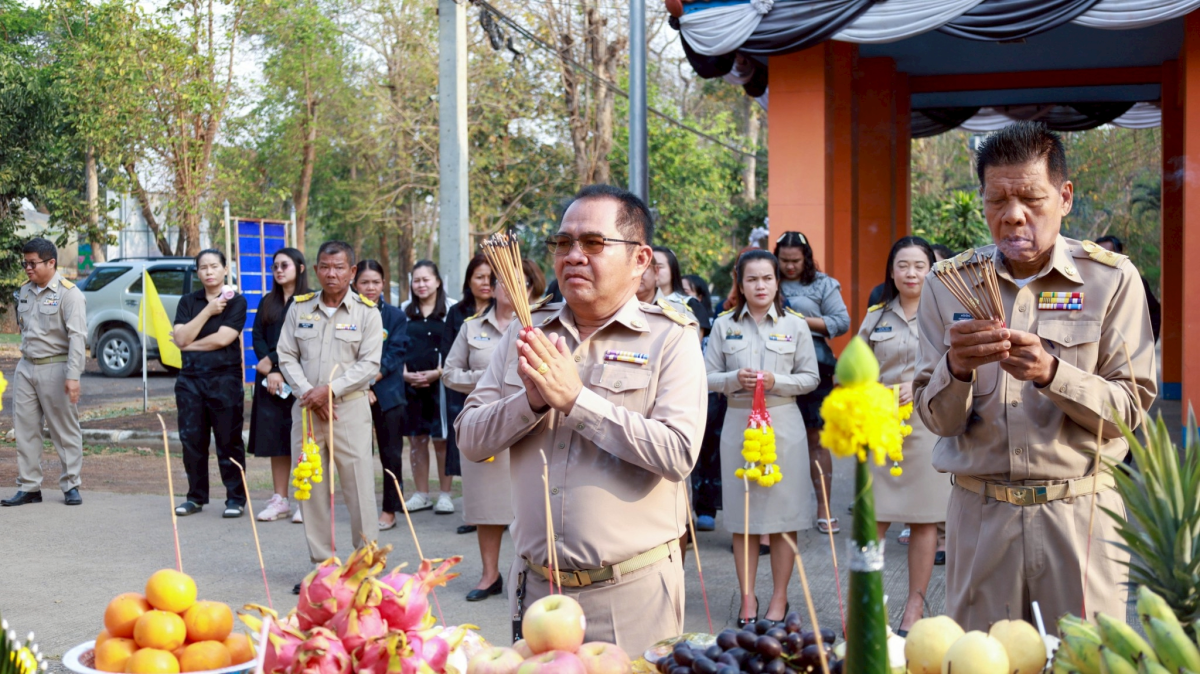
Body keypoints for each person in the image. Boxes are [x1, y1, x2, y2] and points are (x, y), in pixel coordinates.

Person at [914, 121, 1156, 632]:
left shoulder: (1110, 279)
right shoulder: (948, 285)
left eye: (1031, 197)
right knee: (980, 661)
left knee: (1084, 659)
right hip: (980, 515)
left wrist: (1052, 374)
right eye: (997, 200)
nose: (1013, 216)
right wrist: (956, 370)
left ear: (1064, 197)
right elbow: (936, 419)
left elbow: (1130, 411)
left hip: (1080, 513)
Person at [456, 184, 707, 654]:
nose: (573, 255)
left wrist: (576, 399)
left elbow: (677, 453)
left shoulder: (670, 339)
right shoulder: (527, 331)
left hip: (630, 592)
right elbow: (470, 438)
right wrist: (528, 404)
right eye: (563, 243)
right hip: (536, 590)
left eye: (593, 243)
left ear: (640, 259)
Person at [706, 249, 819, 626]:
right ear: (740, 282)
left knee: (784, 519)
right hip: (739, 427)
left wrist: (777, 381)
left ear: (777, 282)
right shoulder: (723, 326)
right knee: (744, 518)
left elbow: (811, 378)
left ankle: (779, 598)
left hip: (783, 425)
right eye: (752, 279)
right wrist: (731, 380)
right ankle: (748, 599)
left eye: (767, 278)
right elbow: (704, 377)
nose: (760, 285)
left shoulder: (795, 325)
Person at [858, 236, 952, 634]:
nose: (911, 273)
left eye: (919, 265)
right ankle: (866, 605)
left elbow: (959, 371)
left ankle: (914, 609)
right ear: (892, 272)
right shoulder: (875, 317)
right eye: (903, 266)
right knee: (872, 520)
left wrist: (917, 387)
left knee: (925, 520)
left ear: (932, 269)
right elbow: (854, 374)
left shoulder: (949, 316)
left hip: (927, 426)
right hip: (879, 427)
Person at [278, 241, 383, 590]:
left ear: (352, 272)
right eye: (324, 266)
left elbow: (369, 364)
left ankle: (365, 566)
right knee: (312, 489)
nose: (331, 273)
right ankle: (322, 567)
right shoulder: (300, 308)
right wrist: (310, 391)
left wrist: (331, 390)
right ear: (315, 269)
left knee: (359, 489)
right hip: (307, 410)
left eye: (339, 267)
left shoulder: (367, 312)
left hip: (348, 410)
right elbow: (286, 355)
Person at [444, 260, 546, 602]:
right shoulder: (473, 327)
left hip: (531, 425)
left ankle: (528, 572)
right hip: (487, 422)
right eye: (499, 281)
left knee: (528, 506)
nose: (505, 287)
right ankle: (490, 575)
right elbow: (449, 372)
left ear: (531, 288)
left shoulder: (540, 325)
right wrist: (487, 378)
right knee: (487, 506)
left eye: (517, 282)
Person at [774, 231, 850, 534]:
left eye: (795, 261)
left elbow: (841, 322)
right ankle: (781, 510)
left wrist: (798, 320)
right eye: (784, 261)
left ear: (806, 258)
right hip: (773, 364)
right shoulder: (767, 278)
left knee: (815, 438)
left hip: (814, 366)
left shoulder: (822, 284)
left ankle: (824, 508)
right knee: (776, 437)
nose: (790, 267)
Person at [3, 238, 86, 507]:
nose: (27, 268)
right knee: (26, 428)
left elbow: (77, 337)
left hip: (57, 366)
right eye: (25, 262)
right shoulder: (24, 291)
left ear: (51, 263)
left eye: (33, 263)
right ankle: (29, 487)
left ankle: (71, 484)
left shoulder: (69, 293)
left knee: (64, 429)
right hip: (27, 366)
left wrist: (73, 376)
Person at [171, 250, 249, 518]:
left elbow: (222, 339)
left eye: (214, 266)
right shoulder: (188, 302)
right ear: (198, 272)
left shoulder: (236, 302)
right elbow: (180, 337)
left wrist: (188, 344)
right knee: (192, 440)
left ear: (225, 269)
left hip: (224, 380)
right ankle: (195, 497)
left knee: (229, 440)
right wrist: (207, 310)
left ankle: (236, 498)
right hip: (190, 380)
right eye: (203, 267)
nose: (209, 272)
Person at [249, 248, 310, 523]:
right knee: (277, 441)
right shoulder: (267, 301)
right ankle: (280, 499)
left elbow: (301, 341)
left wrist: (275, 364)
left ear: (300, 267)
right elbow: (258, 335)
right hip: (272, 386)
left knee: (303, 441)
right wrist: (271, 369)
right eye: (275, 266)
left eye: (285, 265)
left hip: (300, 381)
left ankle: (305, 500)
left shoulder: (310, 302)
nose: (279, 270)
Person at [353, 260, 409, 532]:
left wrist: (368, 384)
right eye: (365, 282)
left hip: (387, 394)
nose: (371, 287)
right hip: (353, 394)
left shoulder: (396, 317)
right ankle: (361, 508)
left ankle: (390, 509)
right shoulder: (347, 314)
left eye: (376, 282)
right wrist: (360, 388)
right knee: (357, 455)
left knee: (391, 454)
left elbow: (395, 354)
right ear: (355, 283)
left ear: (383, 284)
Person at [442, 254, 494, 533]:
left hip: (500, 400)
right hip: (462, 396)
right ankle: (474, 514)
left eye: (490, 278)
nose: (485, 283)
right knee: (468, 452)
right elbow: (451, 361)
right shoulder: (458, 313)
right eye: (479, 277)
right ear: (469, 281)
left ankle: (503, 512)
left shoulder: (506, 311)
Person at [402, 260, 453, 514]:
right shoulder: (403, 310)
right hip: (410, 387)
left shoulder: (450, 310)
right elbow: (397, 346)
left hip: (440, 387)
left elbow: (457, 349)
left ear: (437, 282)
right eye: (416, 280)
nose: (421, 285)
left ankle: (445, 494)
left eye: (426, 279)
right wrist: (404, 374)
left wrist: (438, 372)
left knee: (441, 440)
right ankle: (422, 494)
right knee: (416, 441)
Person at [1095, 235, 1161, 342]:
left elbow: (1154, 311)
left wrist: (1149, 342)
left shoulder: (1134, 281)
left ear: (1119, 254)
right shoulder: (1090, 283)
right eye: (1098, 254)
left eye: (1108, 253)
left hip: (1125, 348)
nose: (1102, 258)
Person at [653, 246, 707, 333]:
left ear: (673, 270)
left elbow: (695, 342)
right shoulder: (636, 300)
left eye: (660, 266)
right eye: (648, 266)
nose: (654, 270)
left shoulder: (691, 303)